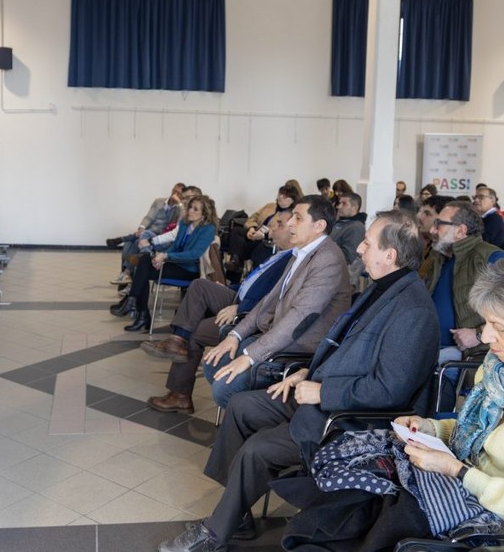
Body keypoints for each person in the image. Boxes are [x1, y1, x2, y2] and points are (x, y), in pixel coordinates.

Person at [157, 210, 439, 552]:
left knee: (256, 451)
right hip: (321, 395)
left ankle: (215, 534)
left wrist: (323, 391)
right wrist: (308, 372)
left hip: (347, 419)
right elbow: (346, 348)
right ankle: (238, 513)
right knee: (241, 405)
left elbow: (390, 389)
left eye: (367, 243)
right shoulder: (383, 289)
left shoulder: (413, 310)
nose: (360, 248)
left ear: (389, 255)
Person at [301, 257, 504, 548]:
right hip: (467, 482)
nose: (485, 337)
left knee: (358, 522)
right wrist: (430, 429)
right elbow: (486, 435)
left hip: (501, 523)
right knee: (348, 494)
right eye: (486, 323)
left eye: (500, 327)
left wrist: (459, 472)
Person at [200, 195, 351, 409]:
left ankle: (246, 419)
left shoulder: (328, 259)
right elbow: (268, 301)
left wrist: (250, 356)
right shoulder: (301, 252)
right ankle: (241, 415)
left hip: (298, 349)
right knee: (212, 363)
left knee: (224, 388)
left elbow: (299, 318)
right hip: (276, 336)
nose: (290, 223)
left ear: (319, 226)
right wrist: (236, 335)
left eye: (298, 218)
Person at [141, 211, 296, 414]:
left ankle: (180, 395)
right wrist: (229, 290)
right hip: (238, 296)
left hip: (249, 312)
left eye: (279, 224)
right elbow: (252, 284)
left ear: (293, 232)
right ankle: (177, 340)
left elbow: (272, 300)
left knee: (195, 331)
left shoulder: (292, 260)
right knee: (200, 285)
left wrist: (240, 308)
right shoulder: (277, 254)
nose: (272, 227)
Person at [422, 201, 504, 406]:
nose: (433, 230)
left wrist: (477, 335)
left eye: (439, 224)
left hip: (470, 352)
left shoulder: (490, 258)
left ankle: (427, 424)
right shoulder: (439, 257)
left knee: (420, 370)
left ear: (461, 230)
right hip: (431, 344)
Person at [111, 195, 217, 332]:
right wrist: (160, 257)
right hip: (174, 263)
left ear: (204, 214)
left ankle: (138, 309)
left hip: (189, 270)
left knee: (142, 268)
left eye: (195, 209)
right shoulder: (185, 224)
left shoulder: (208, 229)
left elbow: (193, 255)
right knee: (144, 261)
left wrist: (166, 256)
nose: (190, 210)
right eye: (190, 207)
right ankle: (137, 308)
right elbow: (174, 246)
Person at [106, 183, 184, 285]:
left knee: (136, 242)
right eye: (174, 191)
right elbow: (149, 217)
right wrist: (141, 228)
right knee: (128, 245)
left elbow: (180, 222)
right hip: (148, 232)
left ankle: (127, 274)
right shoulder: (159, 201)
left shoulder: (180, 209)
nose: (175, 194)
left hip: (160, 236)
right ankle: (126, 277)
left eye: (179, 193)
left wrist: (180, 203)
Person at [225, 185, 300, 276]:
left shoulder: (290, 214)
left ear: (292, 200)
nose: (280, 197)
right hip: (255, 232)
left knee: (255, 248)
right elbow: (253, 217)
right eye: (280, 194)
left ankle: (237, 267)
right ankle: (235, 261)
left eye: (284, 196)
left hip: (267, 240)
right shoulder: (270, 206)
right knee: (237, 231)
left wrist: (264, 235)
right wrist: (251, 228)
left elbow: (281, 232)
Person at [329, 192, 366, 285]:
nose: (339, 206)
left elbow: (349, 257)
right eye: (339, 203)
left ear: (354, 207)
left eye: (344, 204)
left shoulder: (355, 227)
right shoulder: (340, 223)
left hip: (341, 277)